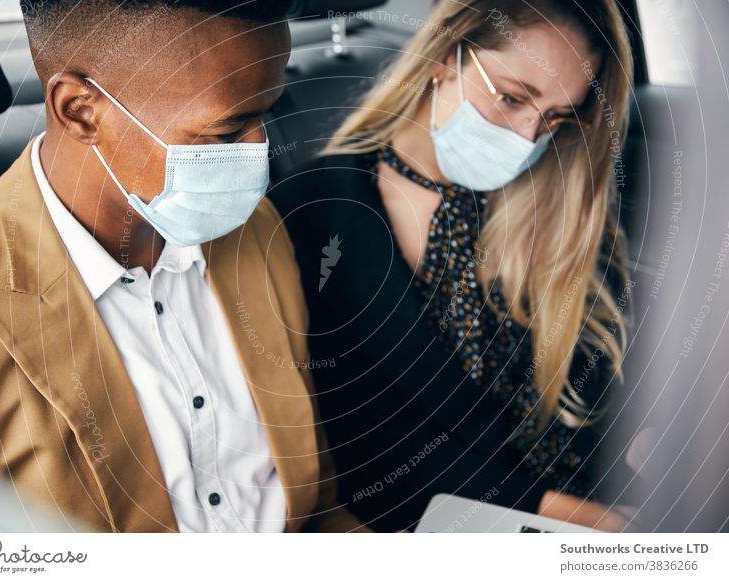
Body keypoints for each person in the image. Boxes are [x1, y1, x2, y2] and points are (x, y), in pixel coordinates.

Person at [0, 0, 363, 533]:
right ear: (80, 111)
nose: (261, 151)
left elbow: (312, 506)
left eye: (267, 113)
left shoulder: (255, 231)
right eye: (227, 133)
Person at [271, 0, 634, 532]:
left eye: (557, 118)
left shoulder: (562, 209)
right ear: (446, 56)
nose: (527, 137)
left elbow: (607, 388)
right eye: (512, 99)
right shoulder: (316, 214)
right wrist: (585, 523)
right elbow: (365, 446)